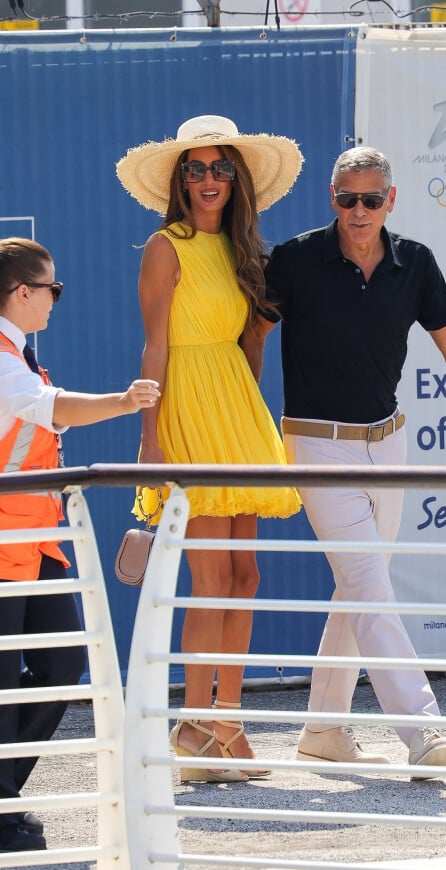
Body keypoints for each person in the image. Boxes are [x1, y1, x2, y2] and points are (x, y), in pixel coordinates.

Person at [254, 146, 446, 779]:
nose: (359, 212)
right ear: (331, 197)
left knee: (360, 585)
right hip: (315, 442)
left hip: (389, 442)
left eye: (371, 199)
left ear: (392, 200)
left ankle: (325, 730)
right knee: (369, 584)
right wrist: (250, 427)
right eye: (347, 199)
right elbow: (253, 338)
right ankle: (421, 726)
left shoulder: (416, 263)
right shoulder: (295, 260)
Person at [115, 115, 303, 783]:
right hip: (188, 407)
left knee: (246, 576)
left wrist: (248, 415)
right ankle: (194, 723)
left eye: (221, 168)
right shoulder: (166, 246)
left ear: (237, 178)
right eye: (195, 169)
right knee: (212, 577)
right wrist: (150, 437)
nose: (208, 179)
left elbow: (252, 346)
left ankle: (226, 721)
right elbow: (156, 347)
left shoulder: (247, 253)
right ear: (180, 181)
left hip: (237, 410)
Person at [0, 236, 160, 853]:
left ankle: (4, 795)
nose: (55, 300)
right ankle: (3, 810)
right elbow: (52, 408)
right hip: (8, 539)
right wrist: (124, 402)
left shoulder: (18, 353)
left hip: (32, 540)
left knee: (62, 662)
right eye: (51, 289)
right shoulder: (6, 359)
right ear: (22, 293)